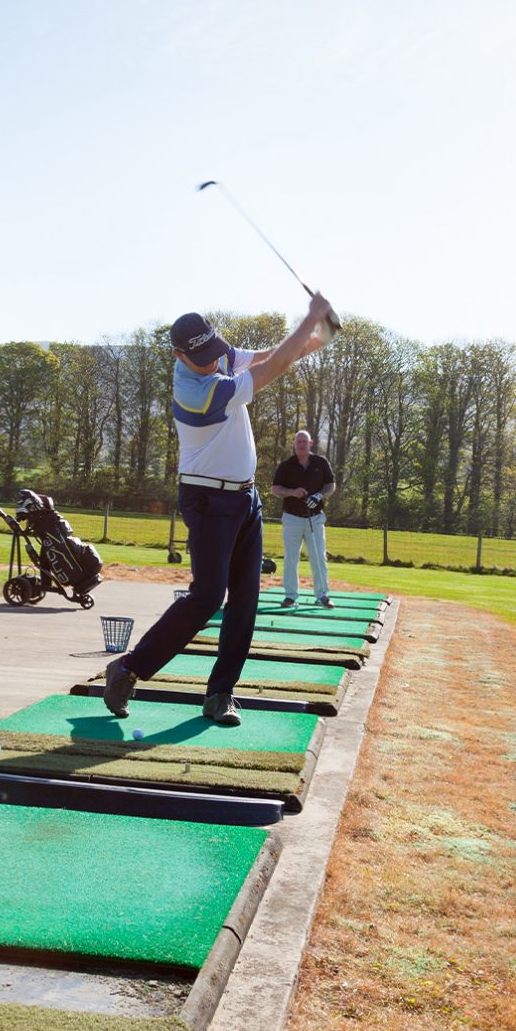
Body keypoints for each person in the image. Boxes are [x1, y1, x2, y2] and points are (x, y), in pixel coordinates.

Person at [104, 295, 334, 726]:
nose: (214, 362)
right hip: (208, 501)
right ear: (179, 356)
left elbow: (268, 355)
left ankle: (220, 693)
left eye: (215, 352)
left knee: (246, 600)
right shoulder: (197, 392)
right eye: (203, 358)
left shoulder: (216, 356)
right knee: (208, 596)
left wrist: (320, 337)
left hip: (246, 498)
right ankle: (129, 668)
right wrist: (310, 319)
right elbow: (274, 367)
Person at [271, 431, 336, 608]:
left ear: (310, 443)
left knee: (318, 557)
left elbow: (331, 485)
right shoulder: (286, 465)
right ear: (294, 443)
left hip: (315, 518)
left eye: (304, 441)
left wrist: (319, 496)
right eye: (298, 441)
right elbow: (275, 489)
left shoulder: (321, 462)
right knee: (291, 558)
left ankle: (322, 595)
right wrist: (292, 492)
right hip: (292, 518)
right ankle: (290, 596)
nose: (301, 444)